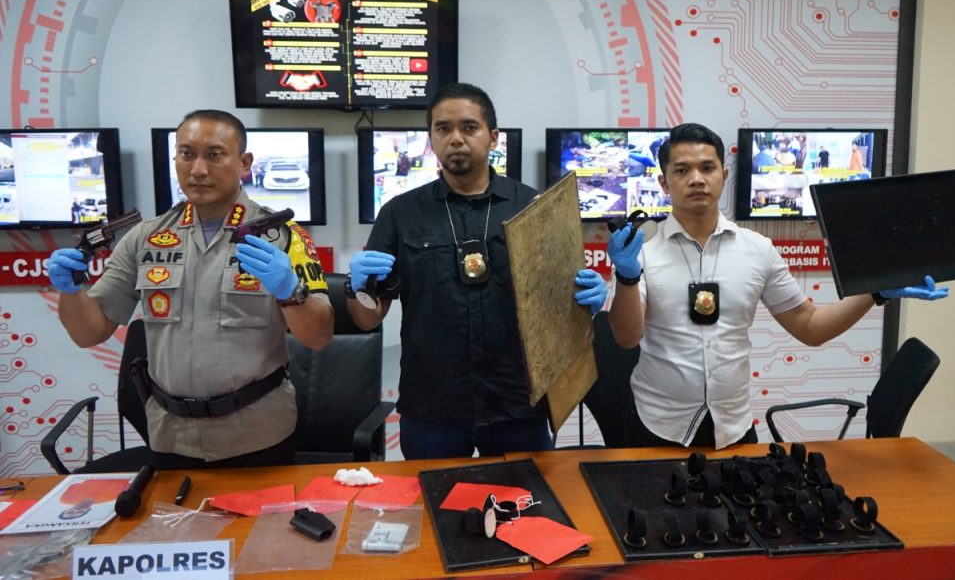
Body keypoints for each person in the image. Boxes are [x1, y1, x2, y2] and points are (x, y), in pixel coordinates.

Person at [606, 123, 948, 450]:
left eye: (707, 168)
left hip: (733, 428)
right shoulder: (640, 252)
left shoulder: (758, 250)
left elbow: (810, 327)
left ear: (724, 174)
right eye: (682, 170)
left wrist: (875, 292)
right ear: (664, 183)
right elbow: (627, 337)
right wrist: (627, 276)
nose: (696, 179)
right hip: (656, 426)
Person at [46, 109, 333, 469]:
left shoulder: (282, 236)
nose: (198, 169)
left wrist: (291, 290)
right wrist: (71, 290)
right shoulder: (145, 237)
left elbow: (319, 336)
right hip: (170, 435)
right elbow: (89, 332)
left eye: (214, 155)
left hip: (258, 434)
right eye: (187, 154)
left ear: (244, 163)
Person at [346, 83, 607, 459]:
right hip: (433, 406)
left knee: (525, 496)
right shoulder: (399, 214)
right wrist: (357, 289)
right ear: (431, 139)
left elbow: (558, 309)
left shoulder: (534, 208)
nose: (456, 138)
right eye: (443, 128)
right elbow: (368, 318)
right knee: (433, 498)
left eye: (469, 127)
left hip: (518, 404)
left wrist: (585, 303)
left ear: (493, 137)